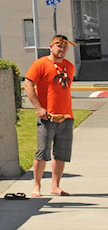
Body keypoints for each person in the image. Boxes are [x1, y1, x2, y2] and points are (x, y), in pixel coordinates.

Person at [24, 34, 77, 197]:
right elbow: (28, 83)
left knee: (61, 153)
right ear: (51, 46)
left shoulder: (69, 66)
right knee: (42, 152)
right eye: (59, 46)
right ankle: (37, 186)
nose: (62, 50)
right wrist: (38, 107)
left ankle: (56, 186)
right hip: (47, 117)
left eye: (65, 47)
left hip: (66, 116)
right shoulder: (40, 64)